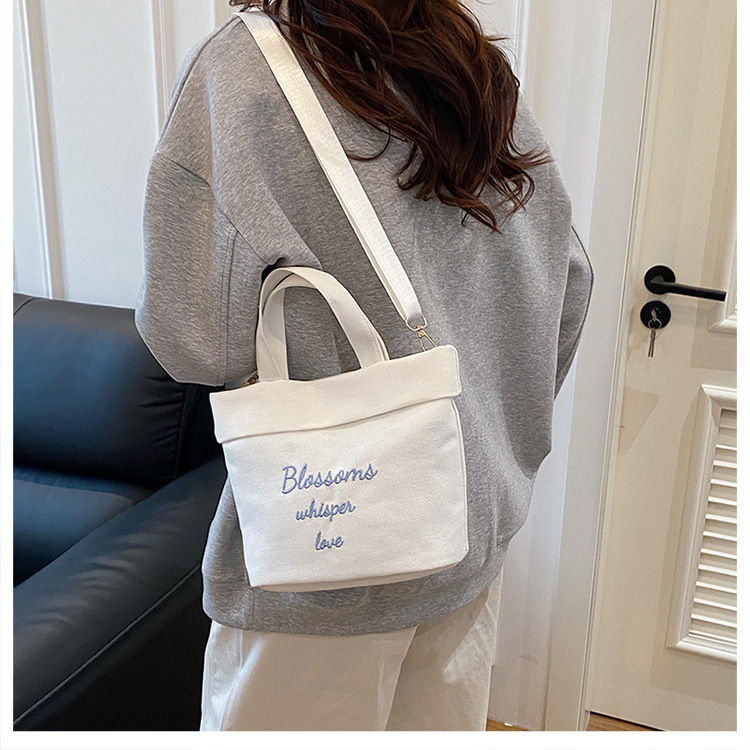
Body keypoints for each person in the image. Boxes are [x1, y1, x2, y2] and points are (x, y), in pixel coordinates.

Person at [134, 0, 594, 732]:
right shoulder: (467, 60)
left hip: (322, 562)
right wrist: (495, 433)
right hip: (468, 528)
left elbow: (193, 342)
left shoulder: (242, 69)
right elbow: (568, 281)